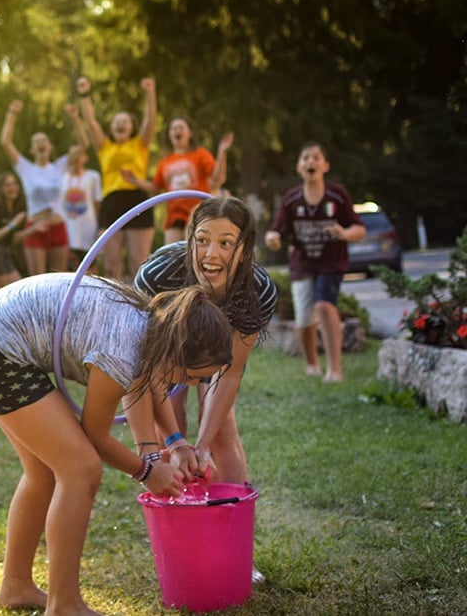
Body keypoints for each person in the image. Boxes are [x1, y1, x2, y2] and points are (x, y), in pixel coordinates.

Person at [0, 273, 233, 613]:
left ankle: (16, 586)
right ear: (176, 352)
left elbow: (150, 381)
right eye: (192, 376)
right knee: (81, 469)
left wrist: (175, 442)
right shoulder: (122, 349)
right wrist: (146, 472)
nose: (192, 383)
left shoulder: (152, 329)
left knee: (44, 473)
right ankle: (64, 603)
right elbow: (96, 437)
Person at [133, 196, 278, 485]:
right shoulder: (158, 276)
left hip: (217, 359)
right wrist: (176, 442)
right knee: (170, 428)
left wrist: (203, 445)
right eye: (202, 240)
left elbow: (229, 374)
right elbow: (148, 369)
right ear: (190, 239)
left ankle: (229, 518)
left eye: (225, 243)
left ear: (245, 249)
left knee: (221, 431)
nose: (211, 254)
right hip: (166, 356)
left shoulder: (257, 291)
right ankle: (179, 516)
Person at [265, 142, 365, 382]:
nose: (311, 161)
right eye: (306, 158)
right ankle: (312, 364)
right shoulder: (292, 200)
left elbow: (359, 229)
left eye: (317, 157)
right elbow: (275, 231)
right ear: (299, 167)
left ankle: (335, 369)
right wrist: (273, 239)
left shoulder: (337, 195)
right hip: (302, 264)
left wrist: (344, 233)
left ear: (325, 165)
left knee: (324, 306)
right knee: (304, 318)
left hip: (331, 262)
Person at [78, 76, 158, 282]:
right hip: (112, 202)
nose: (120, 124)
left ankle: (140, 307)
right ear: (112, 128)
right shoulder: (105, 147)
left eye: (125, 121)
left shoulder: (140, 144)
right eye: (117, 122)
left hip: (138, 200)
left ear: (132, 127)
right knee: (111, 265)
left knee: (138, 262)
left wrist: (150, 92)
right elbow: (91, 122)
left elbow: (150, 121)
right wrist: (85, 95)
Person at [126, 117, 233, 244]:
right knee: (171, 252)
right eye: (173, 128)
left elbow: (218, 179)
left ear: (190, 133)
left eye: (181, 128)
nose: (177, 131)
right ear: (169, 135)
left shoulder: (200, 154)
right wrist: (135, 180)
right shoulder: (165, 162)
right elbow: (155, 187)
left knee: (192, 243)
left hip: (198, 212)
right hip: (174, 216)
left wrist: (222, 153)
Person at [0, 100, 72, 275]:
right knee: (36, 282)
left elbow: (84, 145)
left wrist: (75, 118)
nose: (41, 143)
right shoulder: (26, 168)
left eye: (44, 140)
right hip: (34, 228)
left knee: (59, 281)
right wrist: (12, 112)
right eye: (36, 141)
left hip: (58, 226)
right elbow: (5, 142)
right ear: (32, 149)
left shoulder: (59, 167)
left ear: (50, 146)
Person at [59, 139, 102, 273]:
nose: (76, 158)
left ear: (85, 157)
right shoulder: (61, 177)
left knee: (90, 273)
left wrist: (99, 228)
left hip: (87, 232)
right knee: (68, 273)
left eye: (80, 154)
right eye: (73, 154)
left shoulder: (93, 176)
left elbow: (97, 203)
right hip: (66, 232)